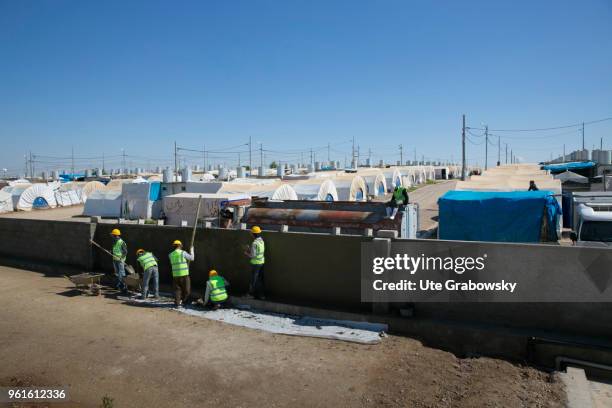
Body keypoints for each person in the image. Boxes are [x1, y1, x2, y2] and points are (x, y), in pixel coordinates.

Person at [169, 239, 194, 308]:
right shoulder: (183, 253)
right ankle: (183, 301)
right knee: (187, 290)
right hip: (184, 275)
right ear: (180, 245)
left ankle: (178, 303)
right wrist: (192, 250)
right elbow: (192, 258)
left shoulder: (170, 255)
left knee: (177, 290)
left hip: (175, 275)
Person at [244, 226, 265, 299]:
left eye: (251, 233)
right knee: (260, 280)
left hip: (256, 264)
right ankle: (261, 295)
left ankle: (250, 294)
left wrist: (247, 253)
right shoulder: (261, 241)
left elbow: (253, 256)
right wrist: (250, 249)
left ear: (253, 234)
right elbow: (258, 252)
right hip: (261, 263)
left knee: (254, 280)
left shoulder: (254, 243)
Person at [110, 228, 128, 293]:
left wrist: (121, 258)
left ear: (115, 235)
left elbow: (125, 252)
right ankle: (118, 285)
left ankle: (124, 287)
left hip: (120, 260)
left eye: (112, 235)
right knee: (117, 273)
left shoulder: (121, 242)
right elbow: (115, 250)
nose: (111, 236)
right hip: (115, 259)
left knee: (122, 273)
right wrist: (111, 252)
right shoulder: (114, 241)